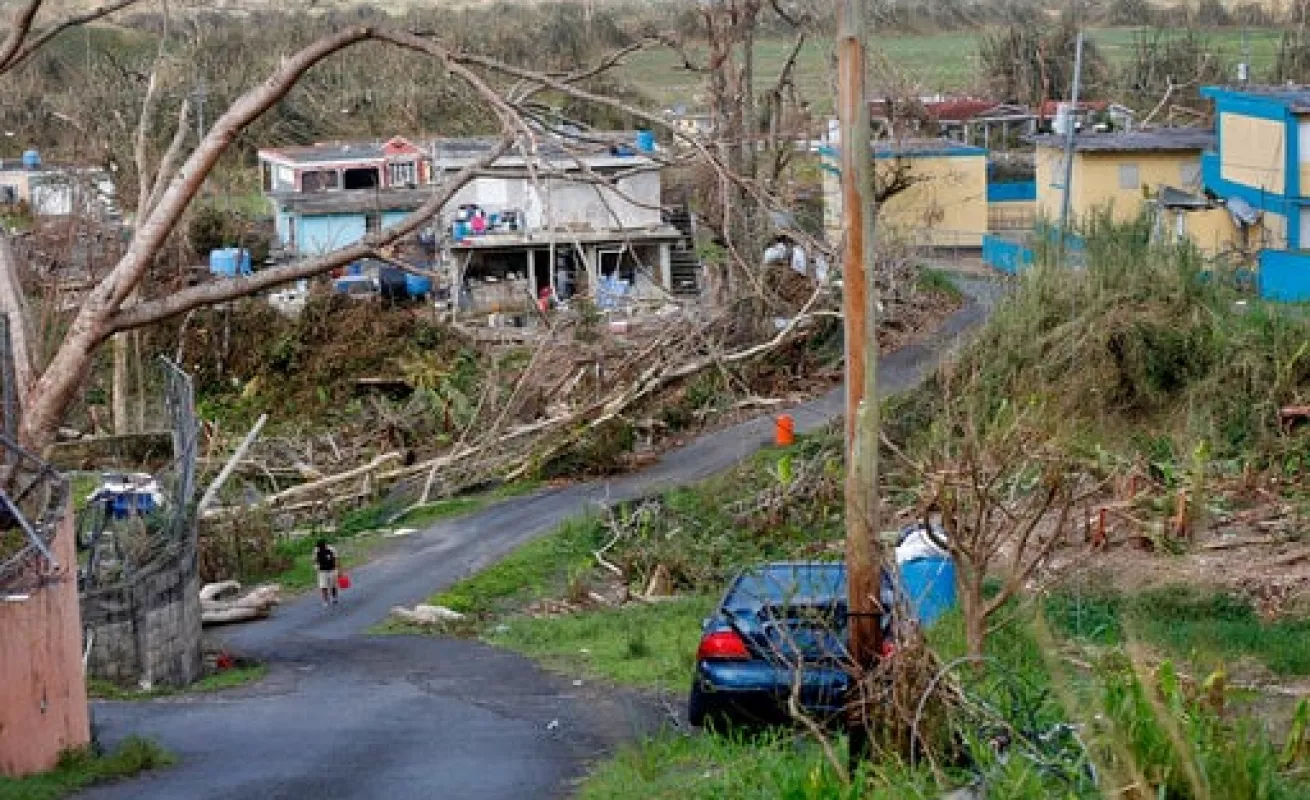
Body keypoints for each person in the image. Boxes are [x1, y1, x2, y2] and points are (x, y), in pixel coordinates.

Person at [314, 539, 340, 608]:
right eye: (319, 547)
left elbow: (336, 559)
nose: (321, 548)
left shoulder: (332, 549)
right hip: (322, 571)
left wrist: (338, 569)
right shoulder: (316, 550)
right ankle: (325, 600)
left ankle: (334, 597)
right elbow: (315, 560)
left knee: (333, 585)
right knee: (323, 586)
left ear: (326, 544)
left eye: (322, 546)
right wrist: (316, 566)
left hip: (332, 569)